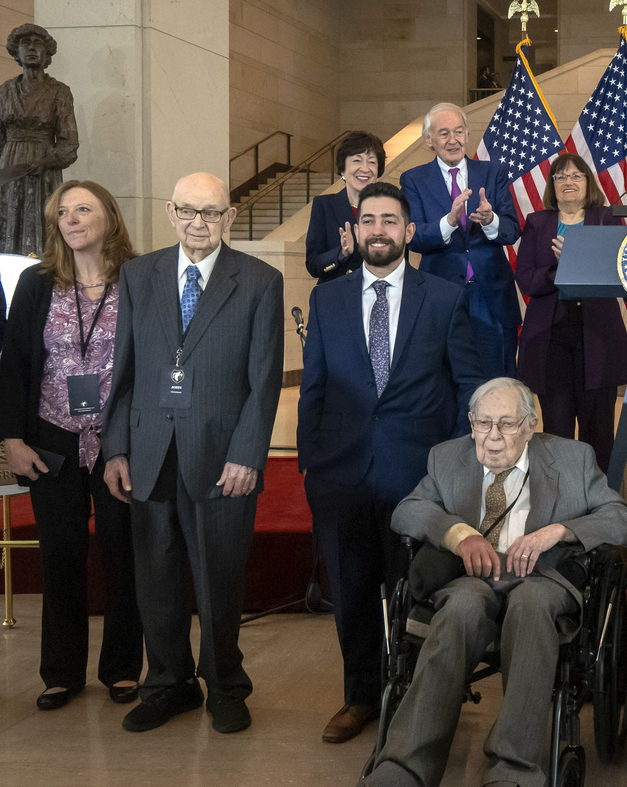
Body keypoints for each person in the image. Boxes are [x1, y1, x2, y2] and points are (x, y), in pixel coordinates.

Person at [360, 377, 627, 787]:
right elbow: (408, 512)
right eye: (483, 423)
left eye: (507, 424)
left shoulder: (572, 458)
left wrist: (559, 531)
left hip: (541, 578)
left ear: (531, 425)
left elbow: (626, 521)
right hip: (472, 579)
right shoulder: (446, 457)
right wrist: (459, 535)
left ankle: (514, 769)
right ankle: (405, 767)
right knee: (459, 609)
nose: (492, 437)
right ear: (471, 422)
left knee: (531, 607)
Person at [297, 181, 483, 744]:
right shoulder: (327, 299)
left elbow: (467, 387)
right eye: (369, 220)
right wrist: (312, 462)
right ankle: (360, 697)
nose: (379, 230)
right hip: (340, 474)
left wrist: (453, 472)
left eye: (390, 221)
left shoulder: (445, 297)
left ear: (408, 231)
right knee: (351, 593)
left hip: (417, 478)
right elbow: (314, 387)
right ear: (355, 232)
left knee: (416, 594)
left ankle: (416, 697)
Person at [101, 172, 284, 735]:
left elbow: (265, 380)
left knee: (218, 579)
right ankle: (168, 684)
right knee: (155, 579)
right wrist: (116, 447)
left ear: (229, 217)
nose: (199, 224)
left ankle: (226, 685)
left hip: (222, 459)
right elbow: (124, 368)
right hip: (150, 451)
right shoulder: (138, 274)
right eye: (188, 212)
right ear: (170, 211)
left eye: (211, 213)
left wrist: (249, 454)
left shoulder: (259, 281)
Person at [0, 180, 143, 711]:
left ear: (109, 214)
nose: (73, 219)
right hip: (49, 440)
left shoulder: (138, 278)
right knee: (61, 554)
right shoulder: (38, 283)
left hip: (118, 440)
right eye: (63, 212)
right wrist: (11, 438)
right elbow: (12, 364)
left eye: (84, 209)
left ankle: (123, 668)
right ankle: (60, 672)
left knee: (121, 551)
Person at [516, 153, 627, 469]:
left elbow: (618, 271)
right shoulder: (537, 222)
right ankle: (560, 505)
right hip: (550, 340)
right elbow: (525, 278)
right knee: (556, 434)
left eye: (576, 176)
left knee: (599, 434)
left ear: (587, 182)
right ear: (552, 185)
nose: (568, 182)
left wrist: (578, 259)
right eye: (561, 177)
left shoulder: (606, 218)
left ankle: (601, 508)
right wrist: (559, 268)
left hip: (598, 337)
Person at [401, 102, 521, 379]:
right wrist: (449, 222)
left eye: (458, 132)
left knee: (498, 382)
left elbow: (512, 230)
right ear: (429, 140)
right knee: (443, 383)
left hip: (491, 296)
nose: (452, 140)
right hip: (439, 296)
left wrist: (491, 220)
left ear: (467, 135)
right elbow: (414, 237)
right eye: (443, 133)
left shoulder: (493, 173)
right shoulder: (414, 180)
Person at [0, 24, 78, 257]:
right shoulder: (4, 91)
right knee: (8, 222)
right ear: (16, 52)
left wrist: (45, 162)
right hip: (9, 170)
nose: (31, 48)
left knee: (43, 225)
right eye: (25, 43)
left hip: (44, 171)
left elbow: (69, 143)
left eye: (38, 44)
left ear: (47, 54)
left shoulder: (59, 91)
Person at [304, 131, 386, 283]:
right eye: (357, 160)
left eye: (372, 162)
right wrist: (341, 253)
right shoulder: (324, 206)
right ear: (343, 169)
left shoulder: (389, 209)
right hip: (337, 296)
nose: (365, 168)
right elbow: (313, 265)